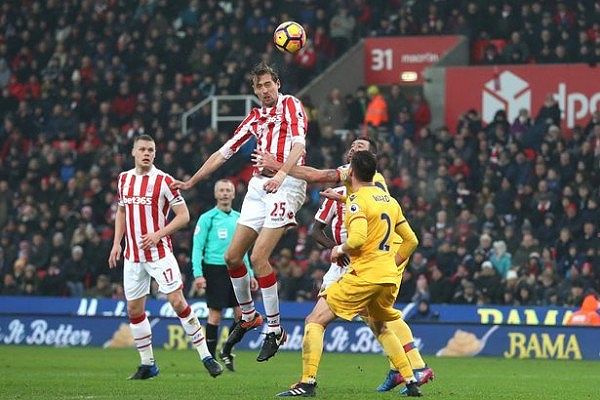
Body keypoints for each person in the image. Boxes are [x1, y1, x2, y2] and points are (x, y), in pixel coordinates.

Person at [258, 137, 434, 391]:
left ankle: (308, 382)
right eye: (352, 146)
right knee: (379, 321)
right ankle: (410, 376)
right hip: (379, 264)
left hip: (365, 262)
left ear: (366, 163)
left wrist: (278, 166)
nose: (354, 149)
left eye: (360, 148)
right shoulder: (379, 197)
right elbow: (410, 238)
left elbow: (319, 178)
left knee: (316, 320)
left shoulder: (363, 190)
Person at [171, 62, 307, 362]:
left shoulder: (291, 105)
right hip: (259, 186)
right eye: (258, 87)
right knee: (232, 257)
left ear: (278, 83)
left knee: (258, 257)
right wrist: (193, 180)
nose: (264, 91)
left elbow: (299, 145)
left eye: (268, 84)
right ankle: (249, 316)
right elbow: (224, 152)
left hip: (288, 183)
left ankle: (274, 329)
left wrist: (281, 174)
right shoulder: (255, 117)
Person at [108, 134, 223, 380]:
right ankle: (148, 364)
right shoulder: (124, 179)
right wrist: (117, 243)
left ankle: (206, 357)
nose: (146, 153)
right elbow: (121, 211)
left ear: (155, 153)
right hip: (133, 256)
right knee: (134, 309)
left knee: (178, 302)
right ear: (133, 152)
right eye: (142, 149)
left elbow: (183, 215)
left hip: (159, 254)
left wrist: (158, 234)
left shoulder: (164, 181)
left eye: (150, 150)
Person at [191, 179, 258, 371]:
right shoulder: (207, 218)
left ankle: (227, 351)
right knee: (215, 315)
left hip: (236, 269)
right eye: (221, 190)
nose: (225, 193)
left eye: (228, 190)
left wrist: (251, 274)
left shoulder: (240, 218)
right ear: (215, 194)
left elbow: (243, 249)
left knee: (241, 316)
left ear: (234, 194)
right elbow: (197, 248)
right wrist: (198, 274)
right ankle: (211, 359)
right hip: (214, 270)